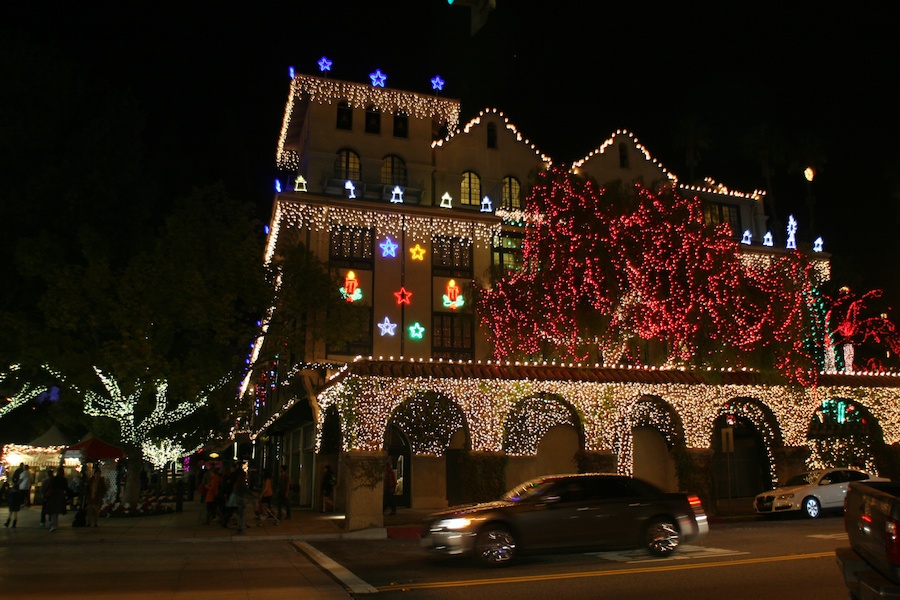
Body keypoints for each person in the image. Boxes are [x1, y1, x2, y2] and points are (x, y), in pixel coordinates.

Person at [45, 466, 68, 532]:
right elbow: (66, 488)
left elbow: (51, 487)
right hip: (61, 495)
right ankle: (55, 524)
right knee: (56, 511)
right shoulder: (64, 480)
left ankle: (53, 524)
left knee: (53, 511)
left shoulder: (54, 479)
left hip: (54, 495)